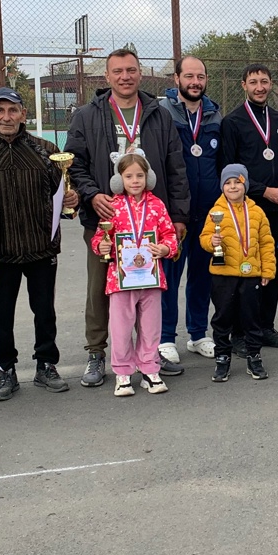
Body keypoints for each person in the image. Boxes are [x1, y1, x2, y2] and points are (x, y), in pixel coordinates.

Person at [64, 49, 190, 387]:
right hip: (107, 219)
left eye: (131, 70)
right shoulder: (87, 115)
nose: (125, 76)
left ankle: (149, 356)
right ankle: (96, 352)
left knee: (148, 289)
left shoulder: (158, 114)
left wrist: (178, 214)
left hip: (149, 221)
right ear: (107, 76)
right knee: (100, 290)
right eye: (118, 71)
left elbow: (176, 166)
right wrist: (93, 195)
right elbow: (75, 164)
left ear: (140, 73)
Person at [0, 86, 78, 402]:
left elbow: (64, 195)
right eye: (0, 110)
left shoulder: (46, 151)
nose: (7, 117)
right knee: (2, 315)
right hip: (0, 252)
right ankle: (5, 370)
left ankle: (46, 364)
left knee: (44, 311)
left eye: (13, 110)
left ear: (23, 114)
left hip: (41, 248)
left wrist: (71, 200)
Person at [216, 63, 278, 348]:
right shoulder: (232, 122)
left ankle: (265, 327)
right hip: (244, 211)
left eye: (264, 81)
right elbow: (227, 170)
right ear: (244, 85)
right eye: (253, 82)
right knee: (244, 274)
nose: (259, 87)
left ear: (271, 83)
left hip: (277, 211)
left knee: (271, 271)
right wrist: (264, 191)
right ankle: (240, 334)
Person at [94, 151, 180, 395]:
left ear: (148, 177)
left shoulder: (157, 205)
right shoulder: (113, 206)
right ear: (119, 179)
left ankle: (150, 369)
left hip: (151, 277)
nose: (135, 181)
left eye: (140, 176)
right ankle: (122, 372)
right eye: (129, 176)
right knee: (121, 328)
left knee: (151, 327)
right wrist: (102, 245)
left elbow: (169, 235)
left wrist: (165, 248)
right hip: (120, 279)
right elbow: (100, 237)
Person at [158, 55, 222, 366]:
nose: (195, 82)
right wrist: (170, 212)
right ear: (177, 78)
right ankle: (165, 337)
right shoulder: (161, 112)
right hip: (174, 213)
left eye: (200, 77)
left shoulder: (215, 115)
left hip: (209, 213)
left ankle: (198, 334)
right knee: (169, 277)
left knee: (202, 275)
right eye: (189, 76)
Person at [201, 163, 277, 381]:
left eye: (238, 182)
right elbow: (204, 238)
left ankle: (254, 356)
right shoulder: (215, 212)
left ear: (246, 185)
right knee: (222, 318)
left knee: (251, 317)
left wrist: (267, 270)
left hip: (251, 274)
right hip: (223, 274)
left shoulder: (257, 212)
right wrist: (211, 241)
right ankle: (222, 358)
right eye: (228, 183)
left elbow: (266, 243)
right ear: (222, 187)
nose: (233, 187)